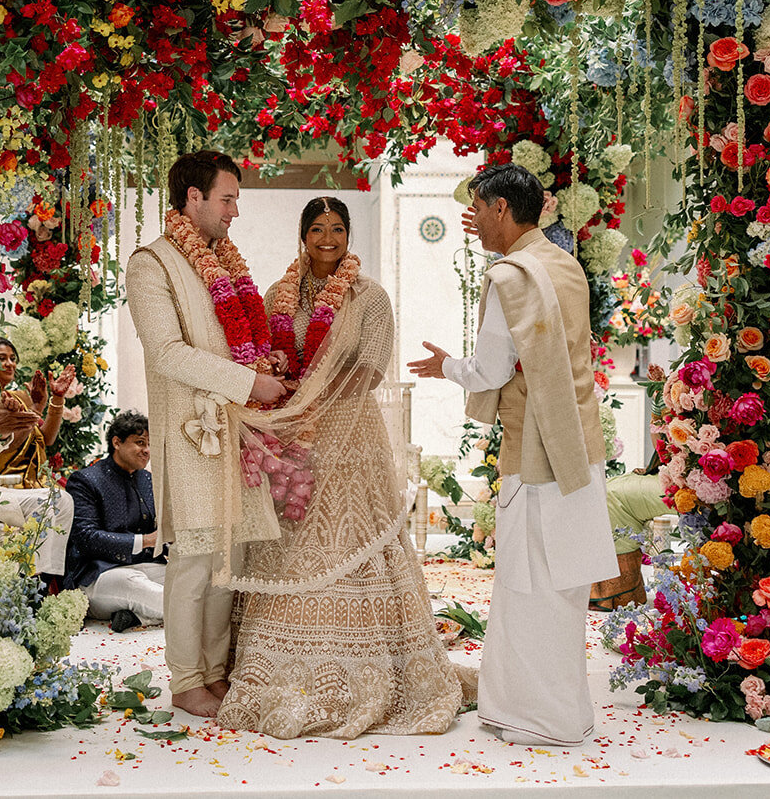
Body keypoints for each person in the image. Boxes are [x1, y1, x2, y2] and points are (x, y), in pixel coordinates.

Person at [215, 197, 475, 739]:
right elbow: (265, 358)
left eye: (337, 228)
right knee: (290, 535)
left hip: (351, 438)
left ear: (348, 234)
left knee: (349, 537)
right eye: (317, 228)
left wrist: (314, 403)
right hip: (289, 439)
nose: (327, 238)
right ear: (303, 235)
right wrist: (284, 404)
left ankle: (366, 664)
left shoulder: (370, 297)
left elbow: (371, 371)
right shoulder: (276, 296)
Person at [409, 163, 615, 747]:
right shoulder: (563, 262)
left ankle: (534, 718)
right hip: (578, 443)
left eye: (478, 208)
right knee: (565, 583)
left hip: (537, 448)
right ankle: (563, 712)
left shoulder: (512, 275)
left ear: (500, 208)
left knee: (530, 582)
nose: (473, 221)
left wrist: (448, 366)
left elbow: (493, 369)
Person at [127, 150, 292, 719]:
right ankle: (185, 679)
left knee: (233, 555)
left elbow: (231, 340)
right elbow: (168, 352)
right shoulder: (152, 264)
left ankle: (216, 673)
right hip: (195, 432)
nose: (235, 211)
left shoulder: (224, 264)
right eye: (227, 199)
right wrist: (248, 382)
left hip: (239, 432)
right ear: (193, 198)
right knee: (196, 557)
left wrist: (261, 370)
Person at [0, 337, 76, 581]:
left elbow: (46, 438)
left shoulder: (18, 397)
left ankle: (46, 581)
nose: (10, 364)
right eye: (1, 359)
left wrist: (56, 400)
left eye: (12, 359)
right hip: (3, 483)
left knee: (66, 504)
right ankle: (33, 582)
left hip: (33, 482)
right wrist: (32, 413)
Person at [64, 411, 166, 633]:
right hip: (97, 576)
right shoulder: (85, 481)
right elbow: (86, 538)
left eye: (150, 444)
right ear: (117, 442)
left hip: (141, 566)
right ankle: (144, 613)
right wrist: (146, 540)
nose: (147, 450)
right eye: (140, 443)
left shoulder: (148, 480)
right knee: (134, 584)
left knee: (187, 580)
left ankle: (137, 616)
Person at [594, 451, 669, 610]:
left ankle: (617, 595)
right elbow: (662, 445)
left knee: (612, 495)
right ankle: (620, 593)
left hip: (695, 481)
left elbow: (661, 440)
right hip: (675, 472)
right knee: (609, 489)